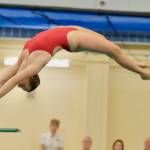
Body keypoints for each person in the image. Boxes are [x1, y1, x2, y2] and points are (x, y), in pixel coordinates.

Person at [0, 25, 149, 98]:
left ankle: (136, 64)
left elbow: (8, 79)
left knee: (108, 44)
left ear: (30, 78)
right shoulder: (34, 65)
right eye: (23, 87)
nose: (19, 85)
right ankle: (143, 73)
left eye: (23, 87)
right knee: (113, 50)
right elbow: (10, 80)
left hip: (68, 29)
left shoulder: (27, 63)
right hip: (71, 38)